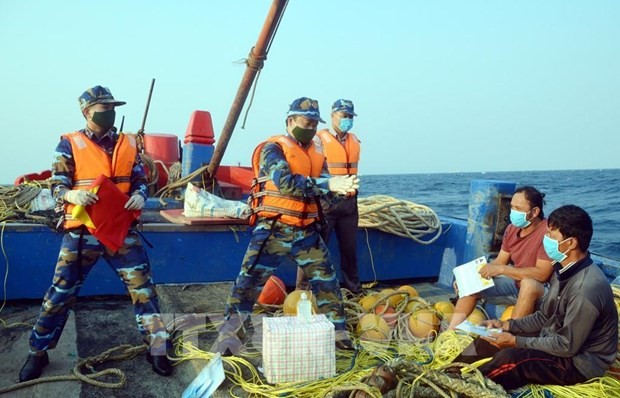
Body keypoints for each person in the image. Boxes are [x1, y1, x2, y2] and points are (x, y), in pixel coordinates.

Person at [19, 85, 172, 382]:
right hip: (83, 232)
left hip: (121, 229)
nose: (110, 113)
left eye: (113, 107)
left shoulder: (127, 144)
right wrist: (72, 195)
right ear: (88, 113)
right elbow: (57, 185)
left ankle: (158, 349)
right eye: (104, 108)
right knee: (59, 294)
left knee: (144, 290)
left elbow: (140, 179)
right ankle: (37, 351)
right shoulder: (69, 144)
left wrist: (142, 195)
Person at [214, 97, 359, 355]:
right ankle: (229, 338)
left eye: (315, 123)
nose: (312, 128)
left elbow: (322, 184)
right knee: (247, 284)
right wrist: (328, 185)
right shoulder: (273, 149)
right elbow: (287, 182)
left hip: (306, 230)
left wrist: (339, 189)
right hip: (274, 229)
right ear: (290, 121)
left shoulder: (316, 152)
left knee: (327, 281)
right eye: (307, 122)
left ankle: (338, 334)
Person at [454, 205, 618, 390]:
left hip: (578, 364)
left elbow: (566, 346)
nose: (544, 240)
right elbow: (543, 317)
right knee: (488, 338)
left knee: (511, 360)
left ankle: (461, 389)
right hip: (555, 340)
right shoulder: (561, 270)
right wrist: (506, 325)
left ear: (571, 243)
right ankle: (448, 375)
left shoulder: (585, 289)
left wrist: (515, 341)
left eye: (550, 236)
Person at [448, 186, 552, 330]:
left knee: (528, 284)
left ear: (534, 212)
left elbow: (542, 274)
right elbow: (498, 262)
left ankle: (510, 337)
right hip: (516, 284)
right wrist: (468, 279)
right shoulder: (511, 229)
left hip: (544, 291)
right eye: (512, 207)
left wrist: (503, 269)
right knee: (471, 286)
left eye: (518, 209)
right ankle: (450, 333)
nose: (513, 212)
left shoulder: (547, 233)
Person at [296, 99, 362, 294]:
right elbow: (312, 169)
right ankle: (304, 291)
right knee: (314, 248)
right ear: (333, 115)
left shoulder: (354, 140)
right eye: (344, 115)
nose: (347, 119)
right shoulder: (318, 140)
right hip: (326, 203)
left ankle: (354, 289)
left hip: (349, 204)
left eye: (350, 116)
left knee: (349, 250)